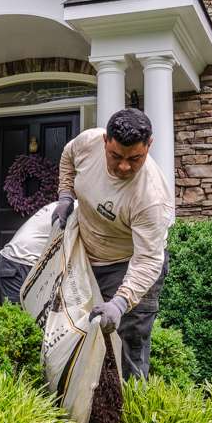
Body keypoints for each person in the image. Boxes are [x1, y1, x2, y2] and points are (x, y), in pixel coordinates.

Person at [52, 108, 173, 379]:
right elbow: (68, 157)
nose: (124, 166)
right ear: (105, 141)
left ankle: (132, 410)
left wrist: (120, 303)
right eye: (116, 156)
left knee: (129, 344)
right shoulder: (88, 143)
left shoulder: (151, 197)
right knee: (77, 335)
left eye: (135, 158)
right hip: (86, 257)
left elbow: (148, 260)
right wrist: (65, 195)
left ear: (149, 146)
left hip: (130, 265)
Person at [0, 202, 54, 305]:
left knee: (31, 312)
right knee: (16, 314)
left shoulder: (61, 205)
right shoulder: (74, 210)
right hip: (16, 262)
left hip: (24, 261)